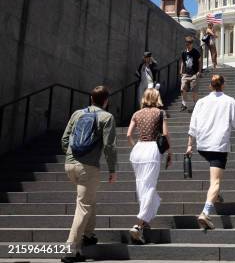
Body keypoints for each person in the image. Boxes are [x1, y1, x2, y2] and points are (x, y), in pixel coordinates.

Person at [60, 86, 117, 263]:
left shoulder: (77, 114)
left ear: (91, 99)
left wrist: (71, 156)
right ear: (106, 101)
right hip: (88, 167)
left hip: (70, 165)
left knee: (88, 199)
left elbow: (64, 139)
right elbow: (109, 147)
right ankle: (70, 250)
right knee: (84, 206)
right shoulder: (107, 117)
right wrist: (112, 169)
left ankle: (89, 234)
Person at [186, 75, 235, 230]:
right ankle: (205, 213)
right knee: (216, 181)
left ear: (210, 86)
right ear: (223, 85)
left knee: (215, 173)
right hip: (218, 146)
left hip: (202, 145)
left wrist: (189, 145)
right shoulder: (229, 101)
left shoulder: (201, 102)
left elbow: (193, 125)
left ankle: (216, 195)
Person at [126, 88, 171, 244]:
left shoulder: (136, 113)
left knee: (142, 185)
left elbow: (129, 134)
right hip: (152, 149)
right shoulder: (160, 113)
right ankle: (139, 224)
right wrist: (169, 152)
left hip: (138, 150)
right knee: (149, 186)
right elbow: (165, 134)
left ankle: (144, 224)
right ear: (156, 97)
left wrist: (135, 147)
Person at [180, 36, 202, 112]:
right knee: (183, 88)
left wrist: (199, 71)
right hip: (186, 74)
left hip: (194, 74)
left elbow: (199, 61)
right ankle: (184, 104)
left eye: (189, 43)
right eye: (187, 43)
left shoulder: (195, 52)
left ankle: (196, 105)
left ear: (192, 44)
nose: (188, 44)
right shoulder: (183, 53)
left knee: (194, 90)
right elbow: (183, 62)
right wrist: (181, 71)